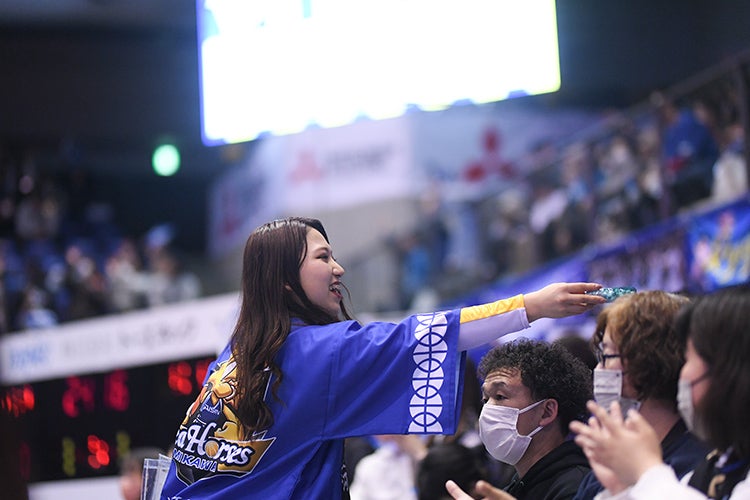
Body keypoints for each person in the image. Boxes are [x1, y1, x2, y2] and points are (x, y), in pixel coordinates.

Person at [159, 217, 605, 499]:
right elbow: (429, 333)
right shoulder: (320, 352)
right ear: (284, 281)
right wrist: (532, 305)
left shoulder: (235, 355)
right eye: (323, 257)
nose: (339, 268)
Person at [570, 284, 750, 499]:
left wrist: (647, 474)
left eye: (606, 356)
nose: (685, 371)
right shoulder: (716, 466)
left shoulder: (690, 462)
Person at [446, 338, 594, 500]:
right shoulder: (518, 485)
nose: (488, 409)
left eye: (500, 396)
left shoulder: (578, 488)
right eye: (485, 399)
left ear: (546, 412)